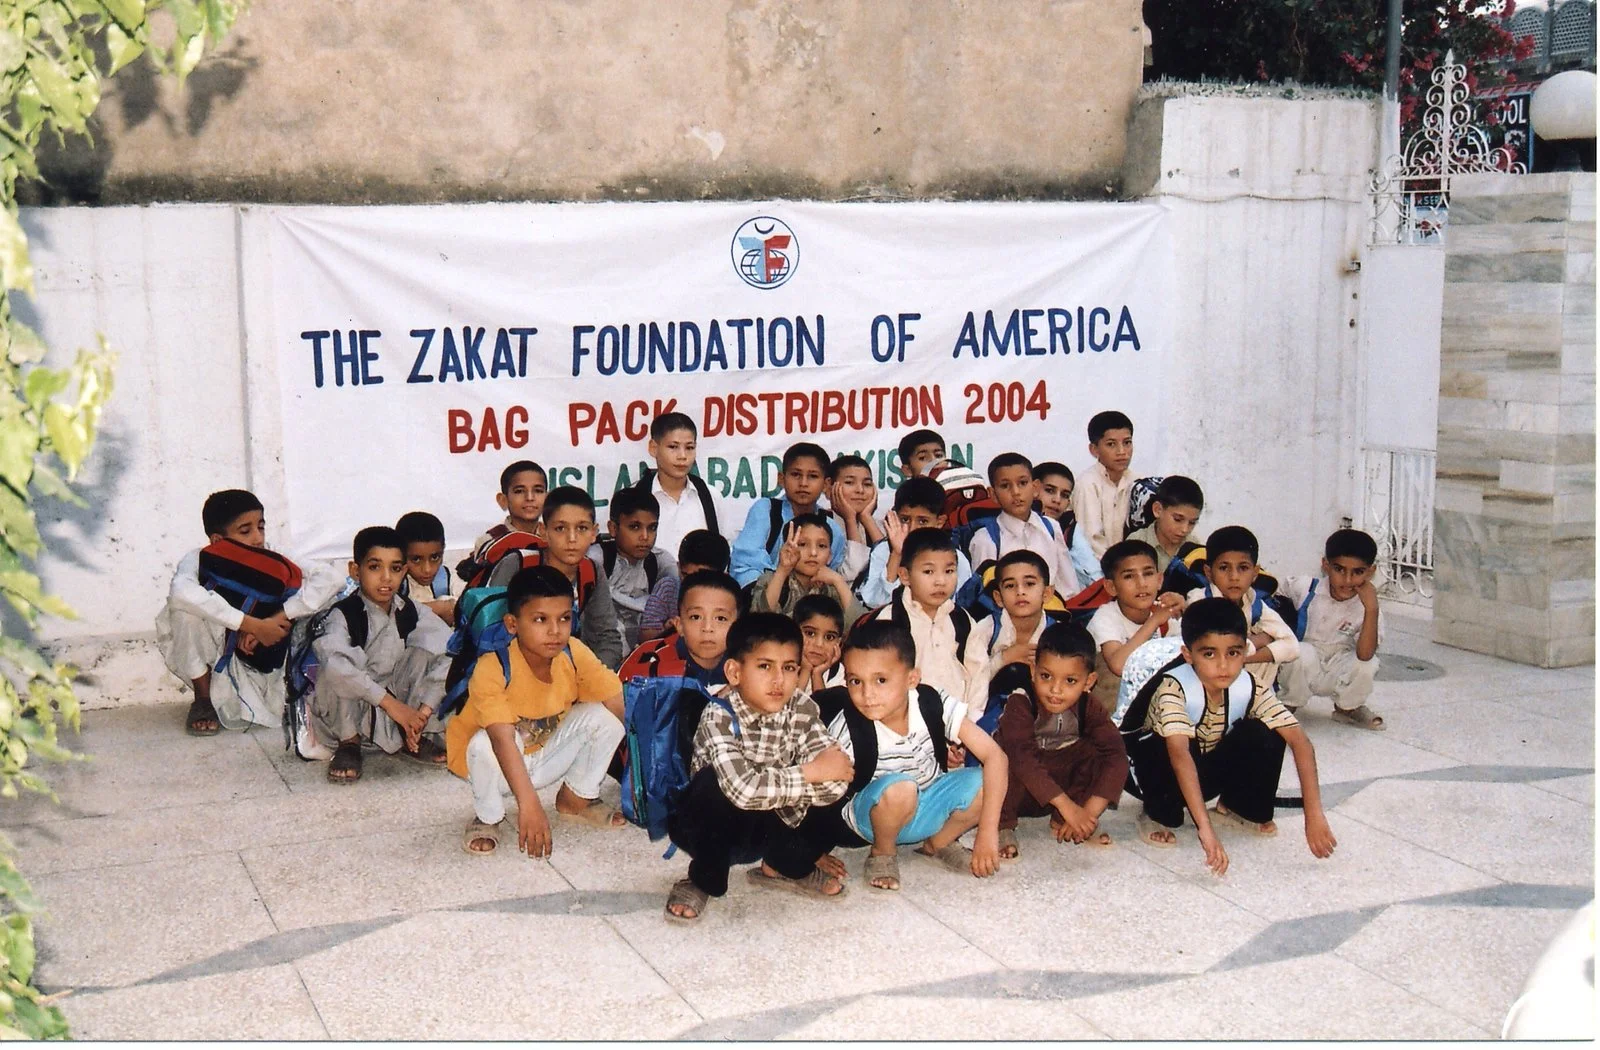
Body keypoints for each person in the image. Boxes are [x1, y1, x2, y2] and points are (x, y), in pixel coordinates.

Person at [664, 613, 853, 923]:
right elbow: (741, 790)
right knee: (713, 785)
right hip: (712, 827)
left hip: (771, 822)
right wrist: (809, 772)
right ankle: (701, 880)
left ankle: (781, 866)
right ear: (734, 672)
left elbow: (838, 778)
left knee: (826, 800)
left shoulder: (801, 707)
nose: (779, 680)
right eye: (765, 666)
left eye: (789, 668)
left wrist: (797, 778)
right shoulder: (719, 715)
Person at [1124, 597, 1337, 873]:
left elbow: (1300, 742)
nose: (1223, 666)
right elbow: (1179, 756)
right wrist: (1205, 830)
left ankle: (1239, 809)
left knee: (1265, 731)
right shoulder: (1172, 689)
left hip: (1201, 769)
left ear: (1244, 651)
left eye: (1233, 653)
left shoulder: (1249, 685)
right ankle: (1156, 815)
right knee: (1168, 743)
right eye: (1209, 654)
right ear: (1188, 655)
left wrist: (1314, 814)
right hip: (1154, 776)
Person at [448, 565, 628, 857]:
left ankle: (577, 798)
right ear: (512, 624)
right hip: (497, 768)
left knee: (605, 718)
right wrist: (529, 805)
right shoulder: (493, 667)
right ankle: (488, 817)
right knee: (483, 744)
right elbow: (502, 740)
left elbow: (616, 700)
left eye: (564, 618)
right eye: (540, 619)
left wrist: (638, 767)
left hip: (545, 757)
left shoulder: (573, 652)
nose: (555, 631)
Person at [826, 620, 1008, 890]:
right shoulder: (848, 728)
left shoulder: (930, 702)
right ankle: (883, 853)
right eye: (855, 681)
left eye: (880, 680)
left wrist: (988, 832)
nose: (867, 694)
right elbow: (822, 793)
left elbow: (995, 756)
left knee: (986, 781)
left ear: (912, 679)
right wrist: (812, 852)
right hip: (874, 818)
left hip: (927, 802)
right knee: (901, 788)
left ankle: (939, 843)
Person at [155, 488, 343, 736]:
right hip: (215, 654)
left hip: (261, 656)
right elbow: (181, 592)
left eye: (261, 527)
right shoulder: (200, 558)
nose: (257, 538)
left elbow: (331, 578)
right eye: (245, 531)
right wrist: (250, 624)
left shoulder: (274, 553)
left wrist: (277, 617)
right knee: (184, 611)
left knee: (322, 603)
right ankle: (202, 698)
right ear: (218, 540)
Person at [311, 526, 454, 783]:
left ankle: (413, 734)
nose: (386, 578)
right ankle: (349, 743)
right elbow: (336, 666)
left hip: (398, 710)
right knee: (338, 667)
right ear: (356, 571)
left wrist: (421, 713)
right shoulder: (343, 615)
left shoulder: (410, 611)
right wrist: (392, 706)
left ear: (404, 571)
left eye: (395, 568)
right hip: (351, 711)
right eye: (375, 567)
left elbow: (450, 651)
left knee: (428, 653)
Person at [994, 621, 1128, 858]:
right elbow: (1023, 760)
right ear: (1033, 671)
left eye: (1070, 681)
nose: (1055, 690)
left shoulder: (1089, 706)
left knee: (1097, 752)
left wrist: (1086, 814)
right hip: (1019, 791)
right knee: (1006, 758)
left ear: (1089, 682)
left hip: (1059, 791)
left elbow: (1116, 756)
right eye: (1046, 676)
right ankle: (1002, 826)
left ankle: (1064, 822)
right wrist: (1068, 807)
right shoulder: (1021, 702)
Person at [490, 487, 626, 669]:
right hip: (513, 673)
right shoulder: (517, 565)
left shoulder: (591, 571)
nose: (572, 538)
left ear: (594, 533)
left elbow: (607, 637)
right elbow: (490, 635)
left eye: (582, 528)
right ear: (543, 531)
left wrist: (589, 675)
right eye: (560, 528)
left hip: (574, 673)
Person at [869, 527, 990, 715]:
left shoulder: (962, 621)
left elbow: (979, 673)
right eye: (928, 571)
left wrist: (972, 719)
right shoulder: (891, 620)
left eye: (949, 571)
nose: (940, 581)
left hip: (960, 722)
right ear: (905, 576)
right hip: (906, 721)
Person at [1278, 529, 1385, 730]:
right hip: (1305, 662)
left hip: (1339, 665)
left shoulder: (1369, 606)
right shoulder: (1306, 587)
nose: (1347, 580)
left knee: (1368, 664)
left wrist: (1371, 609)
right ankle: (1288, 703)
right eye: (1339, 569)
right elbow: (1274, 591)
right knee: (1299, 652)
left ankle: (1348, 708)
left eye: (1358, 572)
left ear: (1370, 572)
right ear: (1325, 565)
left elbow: (1365, 655)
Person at [1087, 539, 1184, 716]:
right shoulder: (1105, 616)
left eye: (1148, 574)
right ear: (1111, 587)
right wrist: (1153, 622)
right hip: (1110, 710)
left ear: (1159, 580)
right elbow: (1118, 665)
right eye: (1129, 576)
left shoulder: (1164, 611)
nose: (1141, 584)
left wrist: (1186, 609)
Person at [730, 442, 848, 586]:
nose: (803, 483)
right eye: (796, 474)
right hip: (763, 596)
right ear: (781, 478)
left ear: (826, 484)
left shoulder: (832, 527)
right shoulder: (767, 511)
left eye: (813, 476)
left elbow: (833, 573)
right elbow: (745, 565)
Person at [966, 453, 1081, 600]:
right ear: (993, 494)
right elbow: (985, 597)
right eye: (1005, 486)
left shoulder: (1051, 528)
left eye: (1022, 483)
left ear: (1035, 487)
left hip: (1052, 610)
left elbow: (1069, 587)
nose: (1016, 492)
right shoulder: (986, 539)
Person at [1187, 525, 1298, 670]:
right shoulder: (1199, 601)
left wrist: (1242, 657)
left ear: (1255, 573)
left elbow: (1292, 647)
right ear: (1208, 572)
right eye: (1224, 568)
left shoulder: (1255, 604)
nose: (1234, 577)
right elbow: (1216, 648)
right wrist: (1261, 640)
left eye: (1243, 568)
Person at [859, 476, 973, 608]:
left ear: (939, 522)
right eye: (905, 520)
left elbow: (963, 604)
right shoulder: (884, 551)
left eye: (923, 521)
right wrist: (896, 554)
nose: (912, 528)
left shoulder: (955, 558)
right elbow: (874, 602)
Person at [618, 570, 740, 691]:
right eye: (695, 617)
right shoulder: (650, 663)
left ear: (737, 626)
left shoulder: (745, 664)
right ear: (679, 625)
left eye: (720, 618)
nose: (707, 628)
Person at [977, 550, 1057, 731]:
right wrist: (1003, 659)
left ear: (1047, 593)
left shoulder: (1057, 634)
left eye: (1029, 584)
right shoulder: (986, 630)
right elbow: (971, 683)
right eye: (1010, 586)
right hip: (990, 715)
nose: (1020, 592)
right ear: (998, 597)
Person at [591, 487, 678, 650]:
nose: (645, 536)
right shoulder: (597, 559)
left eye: (652, 528)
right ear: (613, 528)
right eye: (635, 527)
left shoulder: (660, 562)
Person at [629, 412, 721, 557]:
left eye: (689, 448)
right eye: (673, 447)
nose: (682, 456)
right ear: (653, 448)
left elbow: (724, 549)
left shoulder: (710, 496)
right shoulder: (633, 498)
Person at [750, 514, 865, 623]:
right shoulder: (771, 580)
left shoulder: (833, 589)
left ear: (830, 556)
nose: (813, 553)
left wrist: (839, 581)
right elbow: (760, 621)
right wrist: (782, 571)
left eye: (821, 546)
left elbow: (860, 627)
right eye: (802, 544)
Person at [639, 530, 731, 643]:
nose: (691, 584)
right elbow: (646, 635)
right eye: (685, 575)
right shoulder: (668, 588)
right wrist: (666, 631)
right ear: (678, 567)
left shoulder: (729, 597)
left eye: (701, 578)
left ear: (722, 577)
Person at [1072, 410, 1135, 557]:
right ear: (1094, 450)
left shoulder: (1137, 483)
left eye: (1127, 443)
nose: (1122, 451)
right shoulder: (1087, 484)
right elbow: (1091, 542)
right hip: (1099, 566)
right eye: (1111, 444)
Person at [1033, 461, 1102, 585]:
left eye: (1064, 495)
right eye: (1050, 491)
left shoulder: (1069, 529)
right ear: (1034, 489)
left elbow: (1094, 572)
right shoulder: (1019, 524)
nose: (1057, 500)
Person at [395, 510, 465, 626]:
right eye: (416, 559)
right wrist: (438, 608)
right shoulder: (396, 582)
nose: (427, 569)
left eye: (435, 557)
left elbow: (471, 601)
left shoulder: (446, 577)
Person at [1125, 475, 1204, 573]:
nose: (1185, 529)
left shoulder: (1194, 547)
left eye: (1192, 523)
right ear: (1157, 510)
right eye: (1178, 519)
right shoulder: (1136, 543)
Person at [826, 453, 881, 585]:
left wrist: (867, 518)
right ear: (828, 486)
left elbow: (889, 570)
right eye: (849, 482)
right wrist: (850, 519)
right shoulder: (820, 524)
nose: (860, 490)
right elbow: (854, 574)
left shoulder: (881, 526)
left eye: (867, 484)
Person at [476, 460, 548, 547]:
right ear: (503, 500)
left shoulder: (553, 536)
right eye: (519, 491)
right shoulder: (491, 542)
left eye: (538, 491)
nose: (530, 498)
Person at [794, 592, 846, 697]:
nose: (819, 644)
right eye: (810, 633)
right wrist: (805, 671)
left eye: (829, 637)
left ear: (838, 643)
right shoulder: (782, 665)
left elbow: (824, 707)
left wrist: (817, 675)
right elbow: (787, 707)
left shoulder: (838, 673)